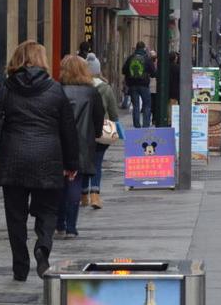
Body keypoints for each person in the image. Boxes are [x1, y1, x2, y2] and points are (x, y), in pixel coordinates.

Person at [0, 41, 79, 281]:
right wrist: (72, 164)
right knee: (48, 210)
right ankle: (42, 249)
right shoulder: (55, 89)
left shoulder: (7, 87)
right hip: (47, 158)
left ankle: (20, 267)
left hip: (13, 159)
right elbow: (68, 130)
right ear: (42, 60)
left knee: (15, 216)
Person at [57, 56, 104, 237]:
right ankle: (71, 227)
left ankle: (60, 224)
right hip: (83, 144)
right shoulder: (92, 93)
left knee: (60, 185)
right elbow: (98, 119)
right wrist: (96, 133)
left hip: (60, 143)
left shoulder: (58, 90)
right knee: (75, 182)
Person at [83, 53, 120, 209]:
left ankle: (83, 196)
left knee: (83, 163)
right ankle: (95, 196)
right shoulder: (105, 88)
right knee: (97, 164)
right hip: (101, 132)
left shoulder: (80, 86)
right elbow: (114, 114)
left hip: (82, 132)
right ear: (98, 70)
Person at [122, 42, 156, 128]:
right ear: (144, 48)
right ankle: (145, 125)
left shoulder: (131, 58)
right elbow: (153, 72)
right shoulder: (146, 58)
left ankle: (137, 126)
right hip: (144, 85)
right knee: (147, 105)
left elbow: (124, 70)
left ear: (136, 48)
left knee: (136, 106)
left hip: (133, 85)